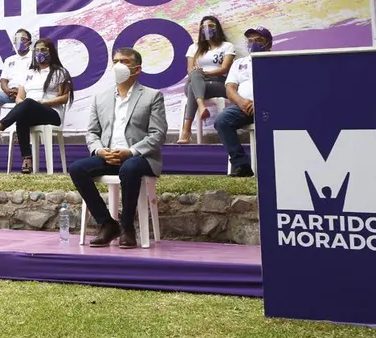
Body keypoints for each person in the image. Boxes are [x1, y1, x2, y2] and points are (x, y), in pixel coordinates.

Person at [69, 47, 166, 249]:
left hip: (140, 158)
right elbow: (92, 133)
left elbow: (158, 134)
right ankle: (107, 223)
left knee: (129, 168)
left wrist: (130, 152)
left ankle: (127, 226)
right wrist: (100, 151)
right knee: (77, 168)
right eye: (115, 61)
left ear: (137, 69)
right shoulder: (100, 98)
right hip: (109, 155)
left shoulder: (152, 96)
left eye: (124, 61)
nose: (118, 66)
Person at [0, 38, 73, 174]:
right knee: (22, 116)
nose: (39, 53)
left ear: (51, 52)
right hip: (32, 111)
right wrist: (24, 106)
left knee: (28, 103)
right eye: (37, 50)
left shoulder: (60, 72)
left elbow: (64, 98)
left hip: (51, 113)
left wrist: (42, 103)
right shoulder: (29, 73)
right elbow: (19, 97)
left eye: (43, 50)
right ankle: (27, 159)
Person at [214, 26, 271, 178]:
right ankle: (242, 165)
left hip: (271, 107)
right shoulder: (239, 63)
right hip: (244, 107)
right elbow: (230, 88)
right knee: (222, 120)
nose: (253, 44)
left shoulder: (277, 61)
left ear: (269, 44)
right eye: (250, 40)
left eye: (258, 40)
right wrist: (241, 102)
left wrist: (260, 102)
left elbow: (283, 88)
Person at [177, 16, 235, 144]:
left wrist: (205, 73)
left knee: (194, 84)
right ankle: (201, 106)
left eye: (211, 26)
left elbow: (224, 68)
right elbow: (190, 70)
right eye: (203, 27)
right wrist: (199, 74)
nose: (207, 29)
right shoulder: (194, 47)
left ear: (217, 28)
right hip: (197, 80)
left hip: (218, 82)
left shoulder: (227, 46)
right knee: (195, 77)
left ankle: (186, 131)